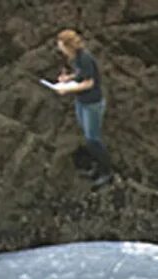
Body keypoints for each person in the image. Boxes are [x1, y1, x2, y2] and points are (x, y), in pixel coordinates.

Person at [50, 29, 113, 187]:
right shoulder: (76, 59)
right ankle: (96, 168)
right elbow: (81, 75)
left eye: (61, 47)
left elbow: (89, 83)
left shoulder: (85, 58)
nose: (60, 50)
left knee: (93, 139)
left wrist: (67, 89)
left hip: (92, 103)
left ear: (68, 45)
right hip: (82, 102)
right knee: (88, 136)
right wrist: (67, 79)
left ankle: (107, 172)